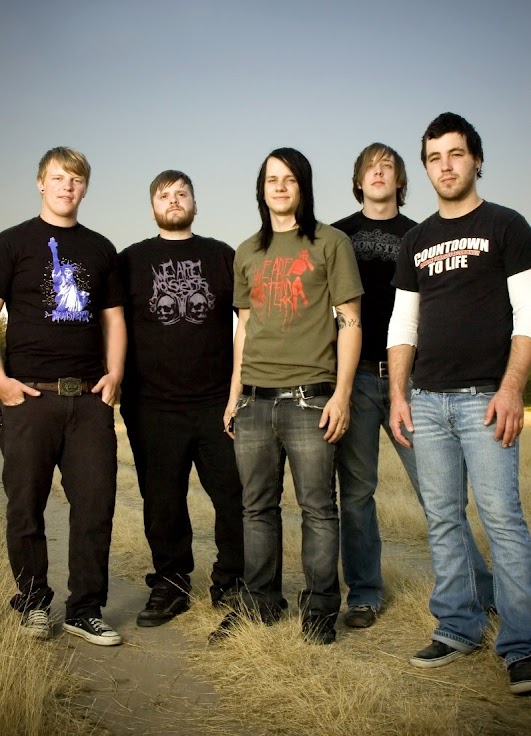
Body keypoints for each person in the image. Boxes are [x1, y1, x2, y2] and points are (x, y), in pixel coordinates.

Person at [388, 112, 531, 695]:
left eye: (455, 154)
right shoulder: (416, 240)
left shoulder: (507, 225)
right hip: (426, 401)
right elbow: (404, 324)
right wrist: (398, 395)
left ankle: (522, 645)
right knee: (443, 518)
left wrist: (512, 388)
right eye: (434, 158)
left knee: (502, 520)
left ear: (476, 159)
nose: (445, 166)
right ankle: (458, 627)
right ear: (425, 169)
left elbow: (528, 313)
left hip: (485, 400)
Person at [333, 143, 493, 628]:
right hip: (357, 380)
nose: (379, 173)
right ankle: (364, 594)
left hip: (416, 383)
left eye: (388, 167)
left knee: (438, 494)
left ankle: (479, 589)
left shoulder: (423, 236)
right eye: (369, 168)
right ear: (358, 181)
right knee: (357, 495)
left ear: (401, 181)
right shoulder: (337, 237)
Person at [211, 147, 363, 645]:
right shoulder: (247, 251)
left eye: (289, 179)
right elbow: (244, 327)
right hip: (254, 401)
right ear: (261, 189)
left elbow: (350, 321)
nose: (279, 186)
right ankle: (261, 602)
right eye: (271, 179)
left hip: (309, 398)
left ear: (303, 186)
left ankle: (319, 608)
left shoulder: (331, 243)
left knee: (317, 508)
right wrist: (234, 395)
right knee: (256, 508)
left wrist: (341, 395)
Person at [0, 147, 126, 645]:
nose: (66, 186)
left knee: (95, 506)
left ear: (84, 187)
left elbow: (113, 318)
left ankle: (84, 609)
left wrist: (115, 375)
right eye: (57, 178)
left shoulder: (100, 248)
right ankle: (33, 602)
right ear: (40, 183)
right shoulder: (12, 242)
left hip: (88, 402)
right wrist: (0, 380)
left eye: (75, 179)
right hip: (29, 399)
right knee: (25, 506)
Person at [119, 170, 244, 626]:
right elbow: (109, 325)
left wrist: (240, 391)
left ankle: (232, 582)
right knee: (162, 501)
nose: (173, 201)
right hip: (151, 405)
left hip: (217, 404)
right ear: (152, 206)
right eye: (164, 195)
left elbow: (250, 324)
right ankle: (171, 584)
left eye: (181, 194)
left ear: (195, 203)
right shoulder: (130, 260)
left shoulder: (222, 255)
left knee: (233, 495)